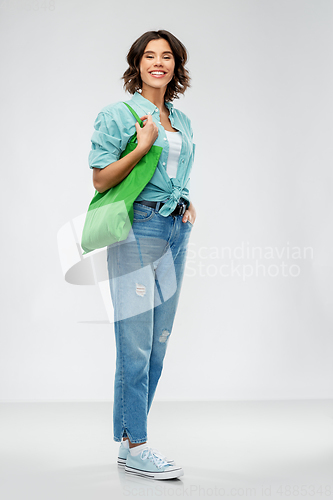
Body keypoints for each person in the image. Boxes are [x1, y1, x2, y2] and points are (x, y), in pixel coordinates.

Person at [88, 30, 196, 480]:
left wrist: (186, 200)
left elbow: (178, 170)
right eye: (149, 55)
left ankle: (131, 440)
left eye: (166, 56)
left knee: (158, 345)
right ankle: (139, 445)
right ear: (137, 63)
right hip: (137, 227)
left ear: (176, 65)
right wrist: (143, 144)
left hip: (175, 229)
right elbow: (100, 179)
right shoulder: (119, 114)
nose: (158, 62)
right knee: (134, 342)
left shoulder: (182, 120)